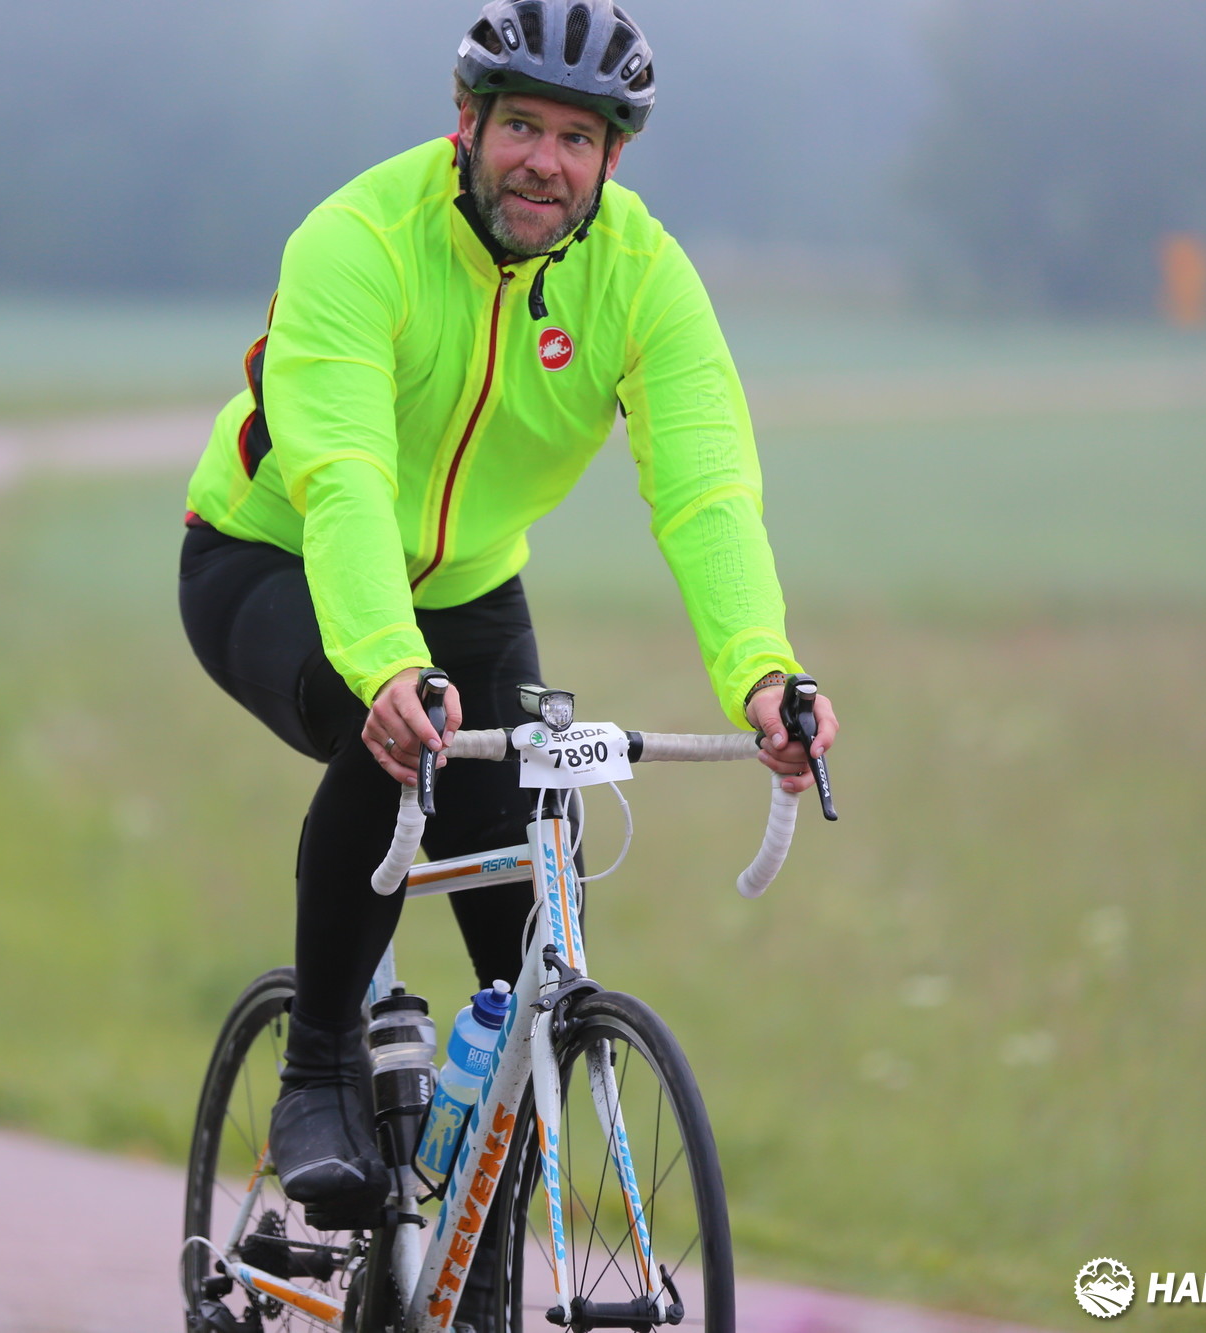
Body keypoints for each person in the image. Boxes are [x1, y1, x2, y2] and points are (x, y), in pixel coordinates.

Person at [178, 0, 838, 1312]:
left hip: (471, 589)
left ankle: (478, 1251)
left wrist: (765, 676)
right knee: (395, 736)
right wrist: (384, 666)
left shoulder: (641, 277)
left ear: (611, 160)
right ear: (466, 125)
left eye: (576, 139)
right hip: (275, 560)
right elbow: (344, 477)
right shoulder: (359, 239)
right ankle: (320, 1063)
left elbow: (705, 488)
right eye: (521, 126)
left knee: (529, 913)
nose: (545, 160)